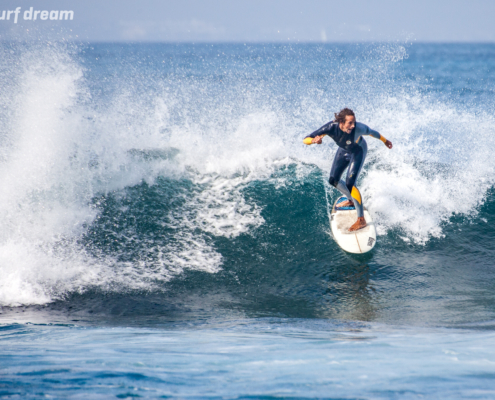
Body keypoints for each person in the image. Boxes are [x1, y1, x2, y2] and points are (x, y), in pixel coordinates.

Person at [303, 108, 393, 232]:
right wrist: (313, 140)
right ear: (341, 122)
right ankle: (351, 200)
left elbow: (372, 133)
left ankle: (361, 220)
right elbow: (306, 139)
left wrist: (385, 141)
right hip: (343, 150)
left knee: (350, 183)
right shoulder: (330, 128)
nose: (353, 125)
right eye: (350, 123)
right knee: (333, 180)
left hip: (358, 151)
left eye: (354, 122)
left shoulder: (359, 128)